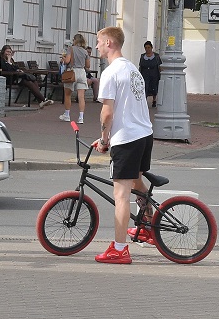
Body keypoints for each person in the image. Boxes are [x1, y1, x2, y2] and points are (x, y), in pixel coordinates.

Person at [91, 25, 155, 265]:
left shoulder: (111, 72)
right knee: (136, 181)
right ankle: (148, 225)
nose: (97, 46)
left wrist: (104, 139)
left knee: (121, 195)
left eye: (99, 42)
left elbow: (107, 112)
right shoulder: (132, 69)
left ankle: (119, 249)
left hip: (127, 139)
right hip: (144, 134)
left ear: (108, 43)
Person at [59, 34, 91, 123]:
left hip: (72, 72)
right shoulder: (85, 51)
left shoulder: (71, 49)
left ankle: (67, 115)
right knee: (81, 96)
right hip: (82, 73)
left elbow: (67, 61)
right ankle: (81, 117)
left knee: (67, 94)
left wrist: (63, 59)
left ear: (74, 40)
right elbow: (88, 65)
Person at [138, 41, 162, 108]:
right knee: (145, 87)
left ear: (151, 48)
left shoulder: (156, 56)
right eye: (146, 48)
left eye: (148, 47)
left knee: (154, 87)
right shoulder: (143, 56)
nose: (147, 49)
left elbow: (159, 65)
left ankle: (154, 100)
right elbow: (140, 66)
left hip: (154, 74)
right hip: (145, 74)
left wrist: (161, 73)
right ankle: (145, 101)